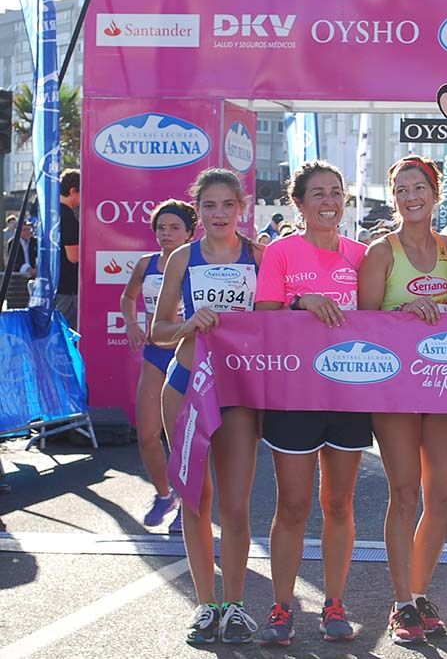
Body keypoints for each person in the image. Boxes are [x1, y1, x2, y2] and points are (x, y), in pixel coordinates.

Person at [254, 160, 369, 646]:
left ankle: (334, 603)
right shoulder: (281, 252)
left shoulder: (364, 255)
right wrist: (302, 301)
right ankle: (282, 608)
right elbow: (264, 316)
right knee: (295, 505)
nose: (329, 201)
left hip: (349, 393)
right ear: (298, 204)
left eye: (336, 192)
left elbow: (382, 317)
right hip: (295, 394)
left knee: (339, 503)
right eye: (318, 193)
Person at [151, 168, 262, 645]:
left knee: (235, 505)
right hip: (183, 382)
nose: (219, 214)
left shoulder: (260, 256)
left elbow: (277, 323)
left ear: (242, 208)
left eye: (228, 205)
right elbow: (158, 331)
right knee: (195, 500)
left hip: (237, 390)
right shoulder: (181, 257)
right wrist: (188, 324)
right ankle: (204, 606)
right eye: (210, 206)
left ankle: (234, 606)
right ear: (199, 211)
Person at [358, 156, 447, 644]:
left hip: (444, 385)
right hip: (396, 388)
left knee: (442, 493)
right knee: (404, 493)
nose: (409, 196)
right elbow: (362, 324)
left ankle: (419, 594)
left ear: (435, 193)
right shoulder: (381, 251)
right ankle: (401, 605)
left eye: (418, 187)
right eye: (400, 190)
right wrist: (401, 310)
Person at [119, 200, 196, 532]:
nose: (166, 233)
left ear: (190, 232)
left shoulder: (197, 263)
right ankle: (165, 495)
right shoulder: (146, 264)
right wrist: (132, 324)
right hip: (155, 353)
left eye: (174, 227)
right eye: (161, 228)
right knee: (147, 432)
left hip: (189, 353)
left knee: (184, 437)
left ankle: (186, 502)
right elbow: (127, 297)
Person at [56, 169, 81, 328]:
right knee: (64, 334)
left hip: (54, 283)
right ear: (73, 191)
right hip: (66, 288)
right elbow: (74, 256)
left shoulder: (52, 212)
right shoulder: (68, 216)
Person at [5, 220, 38, 308]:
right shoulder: (12, 242)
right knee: (16, 304)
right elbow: (15, 261)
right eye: (25, 230)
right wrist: (28, 269)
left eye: (29, 230)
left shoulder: (33, 241)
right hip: (17, 279)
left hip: (31, 277)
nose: (28, 232)